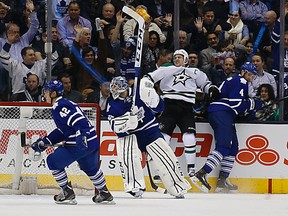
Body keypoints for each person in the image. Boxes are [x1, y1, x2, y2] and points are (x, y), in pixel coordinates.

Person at [31, 80, 114, 205]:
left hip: (80, 142)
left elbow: (78, 120)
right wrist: (45, 141)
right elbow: (63, 130)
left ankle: (66, 192)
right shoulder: (64, 103)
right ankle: (104, 192)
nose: (45, 94)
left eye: (47, 91)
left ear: (53, 93)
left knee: (52, 161)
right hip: (91, 141)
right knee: (90, 168)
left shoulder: (60, 106)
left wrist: (81, 135)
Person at [106, 76, 191, 198]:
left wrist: (153, 96)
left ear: (125, 88)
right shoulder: (112, 105)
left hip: (149, 130)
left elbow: (160, 108)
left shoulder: (138, 92)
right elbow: (115, 128)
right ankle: (134, 186)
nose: (115, 93)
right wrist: (127, 120)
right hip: (130, 135)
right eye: (113, 90)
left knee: (165, 155)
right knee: (126, 153)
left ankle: (177, 186)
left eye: (118, 90)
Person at [143, 49, 220, 180]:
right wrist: (146, 83)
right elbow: (151, 77)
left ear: (185, 59)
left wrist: (211, 89)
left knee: (189, 136)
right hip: (169, 106)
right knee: (163, 137)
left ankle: (191, 168)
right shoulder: (167, 69)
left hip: (186, 108)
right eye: (175, 57)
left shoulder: (195, 71)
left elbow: (205, 85)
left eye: (179, 57)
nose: (176, 59)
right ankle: (161, 168)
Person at [191, 62, 264, 193]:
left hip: (224, 113)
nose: (250, 77)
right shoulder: (240, 81)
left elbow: (238, 107)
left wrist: (250, 108)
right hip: (222, 112)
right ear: (242, 72)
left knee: (233, 147)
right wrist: (254, 104)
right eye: (249, 74)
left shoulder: (235, 81)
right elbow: (236, 104)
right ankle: (202, 173)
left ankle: (222, 181)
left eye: (252, 75)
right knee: (224, 145)